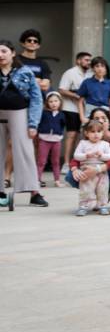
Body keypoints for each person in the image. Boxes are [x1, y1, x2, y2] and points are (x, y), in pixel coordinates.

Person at [0, 40, 47, 208]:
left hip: (20, 113)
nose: (0, 55)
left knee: (25, 151)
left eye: (4, 51)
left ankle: (34, 192)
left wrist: (33, 123)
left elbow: (36, 98)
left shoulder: (25, 72)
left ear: (12, 53)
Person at [71, 107, 110, 214]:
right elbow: (76, 157)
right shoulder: (86, 141)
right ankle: (92, 200)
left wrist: (97, 169)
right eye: (96, 118)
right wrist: (74, 169)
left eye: (104, 118)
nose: (100, 121)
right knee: (71, 174)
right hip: (91, 174)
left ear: (109, 122)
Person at [57, 51, 92, 172]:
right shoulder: (70, 73)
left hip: (85, 109)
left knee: (83, 137)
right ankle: (66, 164)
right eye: (86, 60)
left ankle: (77, 163)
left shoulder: (90, 74)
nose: (89, 62)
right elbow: (61, 90)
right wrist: (76, 96)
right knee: (72, 135)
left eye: (89, 60)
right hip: (70, 108)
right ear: (78, 61)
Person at [73, 119, 110, 216]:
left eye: (99, 131)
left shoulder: (105, 144)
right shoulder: (83, 143)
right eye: (92, 132)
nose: (96, 134)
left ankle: (102, 205)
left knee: (102, 189)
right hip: (86, 169)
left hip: (101, 170)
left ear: (102, 133)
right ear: (86, 133)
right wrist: (86, 155)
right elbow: (76, 156)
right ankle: (83, 206)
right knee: (86, 189)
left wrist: (102, 155)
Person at [36, 92, 66, 187]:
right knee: (41, 161)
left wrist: (59, 133)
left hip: (56, 140)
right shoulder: (43, 113)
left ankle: (57, 180)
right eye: (51, 101)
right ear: (47, 103)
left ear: (60, 102)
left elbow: (62, 125)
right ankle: (37, 180)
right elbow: (39, 124)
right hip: (44, 140)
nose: (53, 103)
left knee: (56, 161)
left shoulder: (62, 114)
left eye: (56, 101)